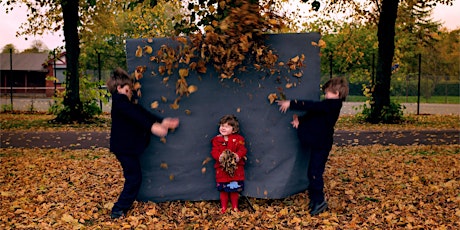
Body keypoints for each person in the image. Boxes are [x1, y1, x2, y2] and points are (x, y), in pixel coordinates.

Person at [107, 67, 180, 219]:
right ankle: (118, 209)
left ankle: (120, 207)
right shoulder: (119, 102)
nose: (130, 93)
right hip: (124, 149)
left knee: (134, 177)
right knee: (134, 178)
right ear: (119, 88)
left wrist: (162, 121)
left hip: (128, 149)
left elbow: (141, 113)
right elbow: (135, 115)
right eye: (128, 89)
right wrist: (153, 126)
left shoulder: (127, 103)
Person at [277, 77, 349, 216]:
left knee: (315, 173)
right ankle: (315, 199)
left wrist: (292, 103)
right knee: (313, 172)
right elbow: (315, 116)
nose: (326, 94)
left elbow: (313, 106)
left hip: (322, 145)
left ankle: (319, 201)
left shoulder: (333, 105)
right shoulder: (328, 106)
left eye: (329, 92)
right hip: (319, 143)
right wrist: (300, 122)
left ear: (337, 94)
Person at [211, 115, 247, 213]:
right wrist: (220, 157)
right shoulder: (216, 140)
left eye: (227, 126)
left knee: (234, 189)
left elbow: (242, 150)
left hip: (235, 169)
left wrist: (236, 156)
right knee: (223, 190)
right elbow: (214, 151)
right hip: (222, 169)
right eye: (222, 125)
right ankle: (224, 208)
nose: (223, 128)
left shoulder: (239, 139)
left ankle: (235, 207)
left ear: (234, 129)